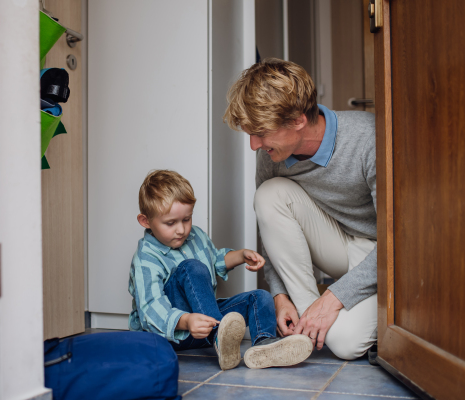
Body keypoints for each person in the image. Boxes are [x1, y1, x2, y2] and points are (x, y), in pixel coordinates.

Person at [223, 58, 378, 360]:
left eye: (261, 132)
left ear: (297, 120)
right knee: (269, 195)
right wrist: (281, 297)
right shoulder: (272, 154)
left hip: (383, 254)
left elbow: (403, 240)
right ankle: (307, 321)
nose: (254, 145)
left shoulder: (367, 138)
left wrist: (334, 296)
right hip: (338, 245)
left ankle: (318, 316)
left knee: (346, 345)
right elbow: (270, 230)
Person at [128, 170, 313, 370]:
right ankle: (219, 337)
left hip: (206, 325)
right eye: (170, 223)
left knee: (260, 297)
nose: (181, 229)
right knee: (191, 267)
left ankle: (264, 345)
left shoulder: (195, 236)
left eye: (186, 219)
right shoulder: (146, 258)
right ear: (145, 221)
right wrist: (187, 320)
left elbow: (215, 260)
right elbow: (150, 310)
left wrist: (241, 255)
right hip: (172, 334)